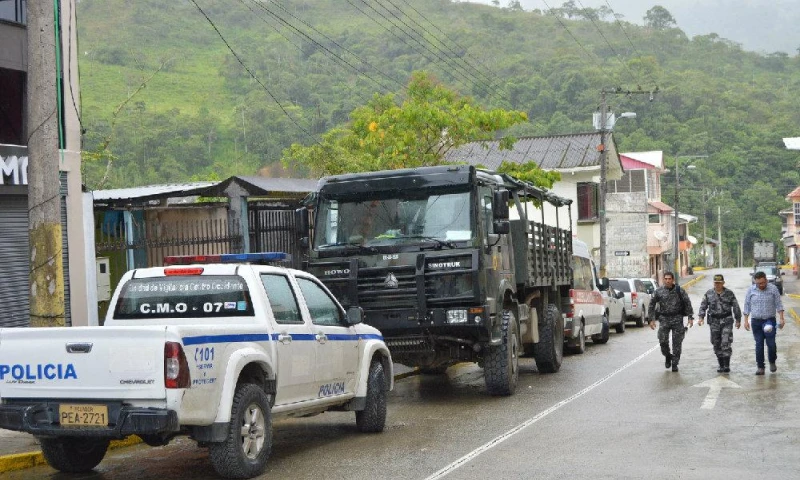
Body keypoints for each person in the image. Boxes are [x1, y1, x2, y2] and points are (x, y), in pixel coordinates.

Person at [648, 271, 694, 372]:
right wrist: (651, 319)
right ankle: (668, 356)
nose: (668, 281)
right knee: (663, 341)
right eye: (666, 279)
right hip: (664, 319)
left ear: (673, 280)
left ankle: (675, 363)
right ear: (663, 280)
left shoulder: (679, 290)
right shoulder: (659, 291)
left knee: (677, 343)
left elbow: (687, 303)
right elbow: (652, 304)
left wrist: (690, 317)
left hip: (677, 318)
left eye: (669, 279)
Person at [697, 274, 742, 373]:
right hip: (714, 322)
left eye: (719, 283)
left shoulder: (729, 293)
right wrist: (701, 317)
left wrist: (738, 320)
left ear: (723, 283)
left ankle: (726, 365)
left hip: (726, 320)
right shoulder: (708, 293)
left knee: (725, 342)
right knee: (716, 343)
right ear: (714, 283)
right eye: (715, 283)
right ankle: (721, 364)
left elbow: (736, 307)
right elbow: (703, 306)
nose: (717, 285)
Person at [743, 271, 785, 375]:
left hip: (769, 321)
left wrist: (781, 318)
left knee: (771, 344)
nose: (761, 285)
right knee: (759, 344)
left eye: (762, 282)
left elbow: (779, 304)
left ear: (766, 280)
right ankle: (760, 367)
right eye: (758, 283)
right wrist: (745, 320)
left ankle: (772, 361)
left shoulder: (773, 289)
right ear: (755, 282)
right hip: (756, 322)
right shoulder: (751, 290)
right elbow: (747, 305)